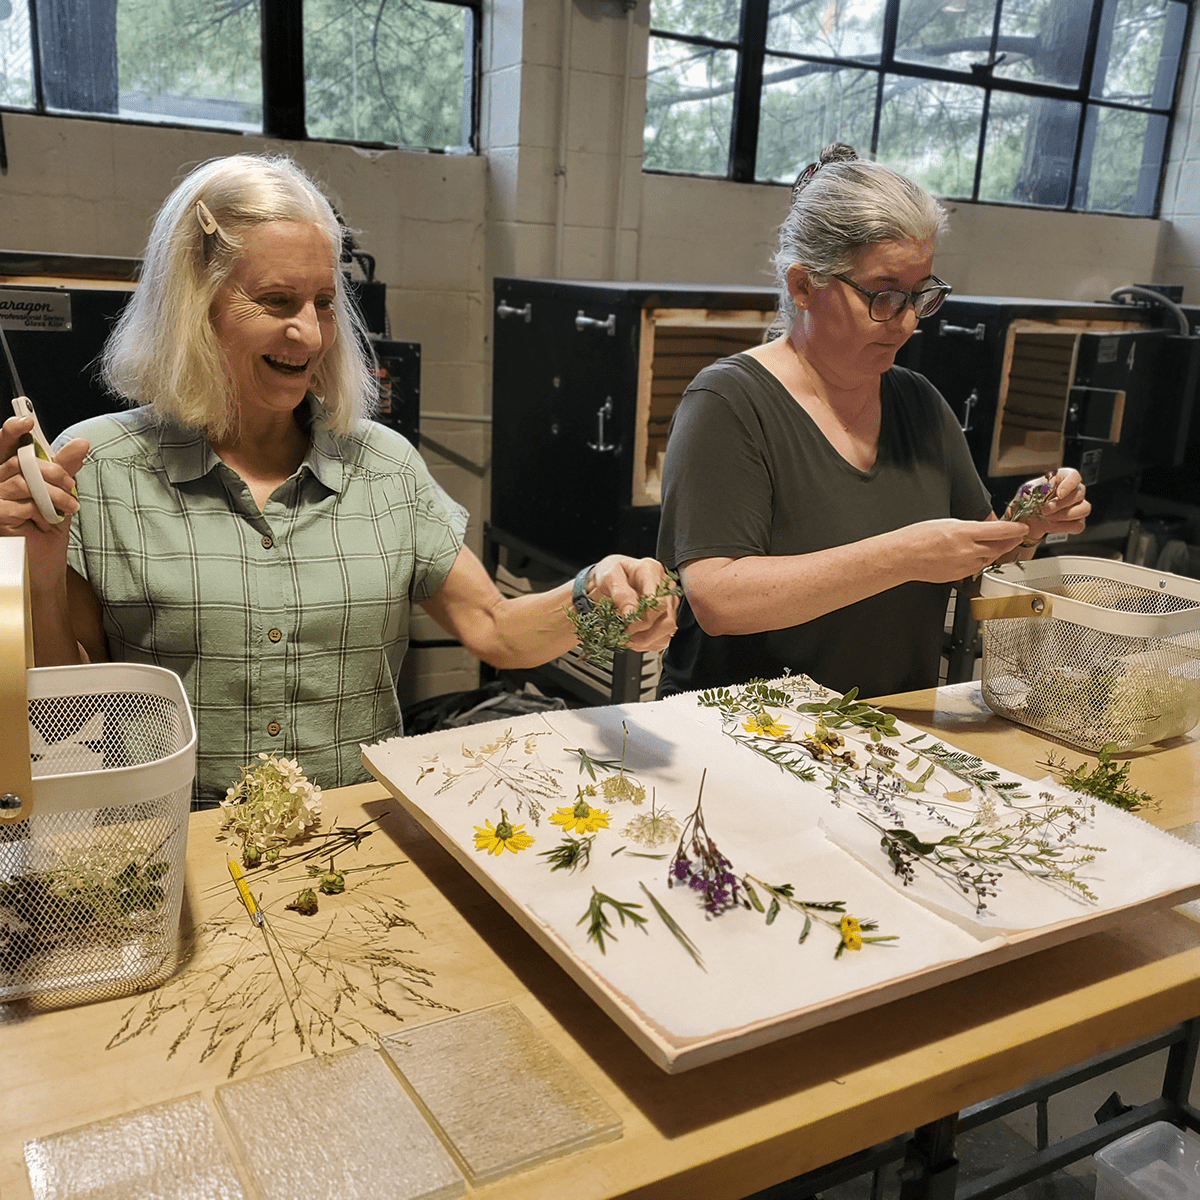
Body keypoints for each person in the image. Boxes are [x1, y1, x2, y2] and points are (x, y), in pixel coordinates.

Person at [0, 153, 676, 804]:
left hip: (354, 844)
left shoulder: (383, 466)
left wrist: (599, 595)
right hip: (177, 842)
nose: (309, 333)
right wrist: (39, 566)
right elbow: (70, 703)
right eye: (276, 300)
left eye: (323, 302)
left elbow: (495, 628)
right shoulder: (102, 463)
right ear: (193, 307)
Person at [657, 143, 1089, 699]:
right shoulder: (729, 403)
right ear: (803, 286)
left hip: (884, 737)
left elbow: (977, 566)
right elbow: (719, 600)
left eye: (921, 296)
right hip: (747, 735)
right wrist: (902, 554)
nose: (907, 322)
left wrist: (1029, 527)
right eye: (883, 296)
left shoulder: (919, 403)